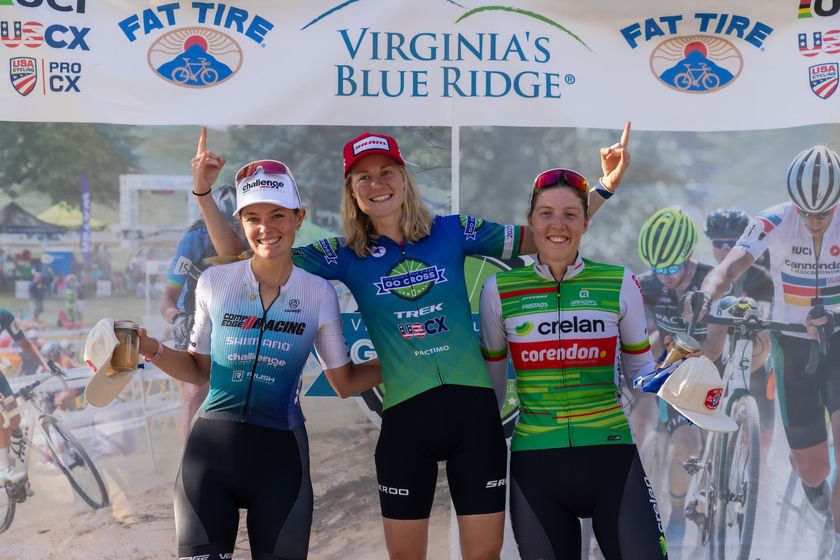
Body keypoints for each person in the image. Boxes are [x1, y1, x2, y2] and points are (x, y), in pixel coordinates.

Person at [191, 124, 631, 559]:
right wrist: (204, 195)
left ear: (405, 179)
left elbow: (549, 233)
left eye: (387, 171)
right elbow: (241, 258)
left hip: (473, 418)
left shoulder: (452, 231)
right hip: (405, 420)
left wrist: (604, 188)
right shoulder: (343, 254)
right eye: (364, 176)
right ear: (352, 190)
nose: (377, 183)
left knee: (483, 556)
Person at [136, 157, 381, 560]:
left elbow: (345, 382)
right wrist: (151, 349)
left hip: (280, 460)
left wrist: (409, 357)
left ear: (298, 217)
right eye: (253, 218)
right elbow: (199, 369)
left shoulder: (319, 293)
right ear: (241, 224)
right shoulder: (215, 282)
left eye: (277, 215)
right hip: (209, 459)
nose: (266, 228)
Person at [478, 167, 666, 559]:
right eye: (546, 213)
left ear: (585, 222)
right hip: (536, 464)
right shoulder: (500, 289)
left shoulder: (618, 281)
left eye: (570, 214)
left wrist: (674, 378)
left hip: (610, 454)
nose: (557, 225)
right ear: (531, 222)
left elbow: (640, 374)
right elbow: (492, 392)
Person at [698, 145, 840, 558]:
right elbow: (728, 269)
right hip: (792, 345)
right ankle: (818, 497)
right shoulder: (775, 219)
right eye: (807, 213)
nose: (814, 221)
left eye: (824, 213)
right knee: (813, 470)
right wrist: (706, 296)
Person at [634, 206, 726, 551]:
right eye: (658, 269)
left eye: (672, 267)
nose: (665, 276)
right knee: (687, 447)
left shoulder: (712, 281)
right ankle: (675, 517)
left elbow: (715, 347)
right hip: (675, 368)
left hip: (711, 367)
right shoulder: (648, 285)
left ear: (689, 257)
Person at [159, 185, 239, 440]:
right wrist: (176, 317)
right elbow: (167, 298)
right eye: (229, 226)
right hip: (192, 317)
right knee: (194, 393)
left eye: (239, 226)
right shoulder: (195, 238)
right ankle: (187, 458)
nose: (234, 234)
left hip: (230, 315)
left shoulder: (254, 234)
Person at [704, 208, 776, 456]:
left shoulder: (764, 279)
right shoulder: (705, 276)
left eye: (732, 243)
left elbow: (771, 329)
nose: (725, 249)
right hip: (717, 360)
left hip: (754, 361)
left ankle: (760, 480)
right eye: (718, 243)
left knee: (761, 438)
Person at [0, 307, 51, 484]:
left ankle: (13, 447)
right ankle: (4, 467)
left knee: (14, 418)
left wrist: (44, 363)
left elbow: (26, 345)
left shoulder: (4, 315)